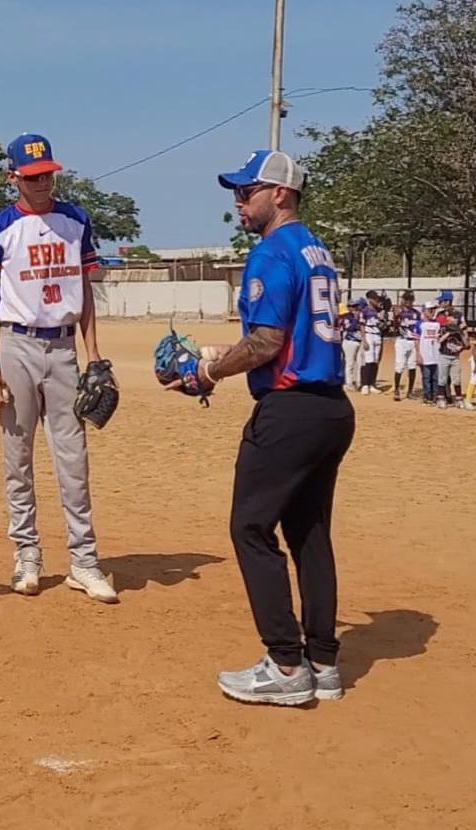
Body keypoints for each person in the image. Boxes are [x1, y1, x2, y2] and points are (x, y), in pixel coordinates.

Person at [189, 150, 354, 705]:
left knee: (250, 528)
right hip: (331, 408)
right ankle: (323, 663)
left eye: (247, 191)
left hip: (289, 411)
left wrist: (208, 372)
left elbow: (266, 342)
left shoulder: (271, 251)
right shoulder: (316, 250)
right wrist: (224, 355)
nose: (239, 202)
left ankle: (285, 664)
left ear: (280, 194)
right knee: (309, 533)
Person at [0, 133, 117, 604]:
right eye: (32, 177)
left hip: (64, 347)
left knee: (73, 458)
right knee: (17, 457)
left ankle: (84, 561)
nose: (42, 184)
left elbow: (85, 289)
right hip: (16, 345)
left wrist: (94, 354)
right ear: (12, 177)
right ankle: (27, 553)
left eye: (47, 175)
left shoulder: (75, 220)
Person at [436, 308, 469, 409]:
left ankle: (459, 399)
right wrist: (449, 333)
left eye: (455, 318)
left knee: (457, 379)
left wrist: (460, 333)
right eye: (452, 317)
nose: (454, 319)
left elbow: (467, 345)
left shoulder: (460, 330)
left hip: (455, 357)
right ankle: (441, 399)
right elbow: (439, 340)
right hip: (444, 356)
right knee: (442, 378)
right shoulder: (443, 328)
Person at [392, 290, 421, 401]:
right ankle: (396, 390)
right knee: (399, 366)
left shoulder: (416, 313)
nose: (409, 301)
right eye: (406, 299)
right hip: (402, 340)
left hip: (413, 341)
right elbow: (395, 327)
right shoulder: (399, 312)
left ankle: (410, 391)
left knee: (412, 366)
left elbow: (419, 328)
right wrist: (396, 317)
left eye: (411, 299)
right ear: (403, 300)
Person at [359, 291, 383, 394]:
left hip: (377, 335)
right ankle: (365, 384)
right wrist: (364, 339)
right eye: (374, 298)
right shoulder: (365, 311)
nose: (376, 300)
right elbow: (362, 325)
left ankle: (372, 383)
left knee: (375, 360)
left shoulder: (379, 311)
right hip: (369, 334)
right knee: (369, 360)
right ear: (369, 299)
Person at [418, 301, 441, 405]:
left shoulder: (437, 324)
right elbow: (416, 340)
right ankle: (427, 396)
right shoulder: (420, 324)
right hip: (425, 355)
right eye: (430, 309)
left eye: (433, 309)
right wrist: (418, 354)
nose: (432, 311)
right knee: (426, 377)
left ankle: (435, 396)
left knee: (435, 377)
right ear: (424, 311)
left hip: (436, 355)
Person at [339, 298, 362, 391]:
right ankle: (349, 383)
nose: (355, 308)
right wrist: (355, 320)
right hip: (349, 342)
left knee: (360, 363)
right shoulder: (347, 317)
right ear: (349, 307)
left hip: (358, 341)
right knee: (350, 363)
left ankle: (359, 382)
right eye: (352, 306)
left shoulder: (359, 316)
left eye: (356, 306)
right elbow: (349, 328)